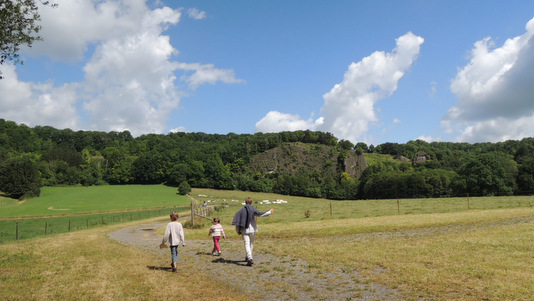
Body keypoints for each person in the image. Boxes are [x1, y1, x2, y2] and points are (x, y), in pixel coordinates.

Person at [232, 197, 273, 266]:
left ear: (245, 202)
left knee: (246, 244)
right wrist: (269, 212)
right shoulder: (253, 209)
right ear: (251, 202)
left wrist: (238, 230)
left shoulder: (241, 211)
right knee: (251, 244)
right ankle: (249, 257)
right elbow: (260, 214)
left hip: (244, 230)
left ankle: (249, 258)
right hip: (252, 230)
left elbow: (238, 222)